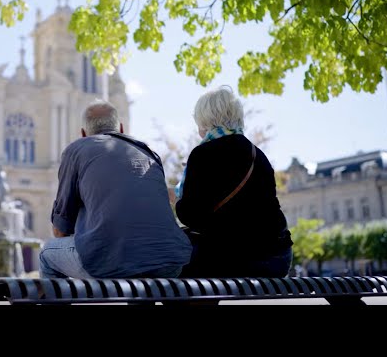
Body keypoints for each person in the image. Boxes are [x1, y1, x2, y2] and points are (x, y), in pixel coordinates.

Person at [39, 99, 193, 279]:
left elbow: (60, 230)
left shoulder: (76, 150)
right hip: (171, 261)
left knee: (47, 253)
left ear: (83, 133)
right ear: (121, 129)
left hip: (110, 263)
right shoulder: (148, 152)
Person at [173, 86, 293, 278]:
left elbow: (191, 216)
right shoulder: (258, 155)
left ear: (205, 120)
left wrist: (177, 199)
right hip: (277, 257)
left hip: (235, 258)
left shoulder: (202, 154)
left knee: (171, 257)